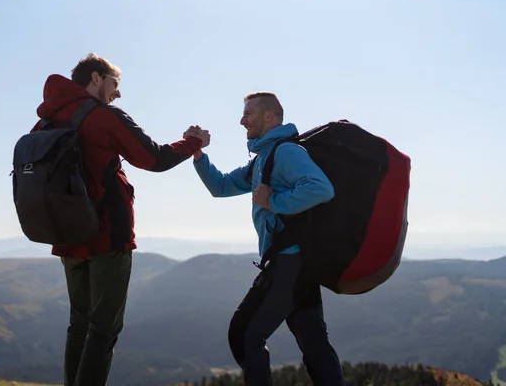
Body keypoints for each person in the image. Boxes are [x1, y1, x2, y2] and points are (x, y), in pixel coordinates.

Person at [30, 52, 210, 386]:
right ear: (96, 78)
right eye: (115, 83)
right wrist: (192, 143)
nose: (118, 93)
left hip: (66, 236)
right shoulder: (101, 116)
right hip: (107, 234)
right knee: (104, 328)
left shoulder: (45, 122)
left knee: (79, 324)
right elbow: (152, 158)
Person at [188, 91, 346, 386]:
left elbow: (321, 189)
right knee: (314, 343)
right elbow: (221, 186)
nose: (241, 120)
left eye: (248, 114)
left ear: (269, 116)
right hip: (298, 263)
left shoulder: (286, 153)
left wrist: (273, 202)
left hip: (290, 262)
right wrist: (197, 154)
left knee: (244, 334)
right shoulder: (263, 159)